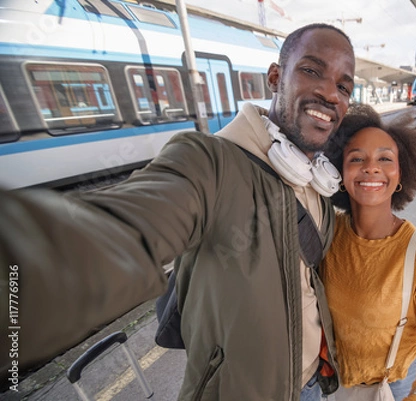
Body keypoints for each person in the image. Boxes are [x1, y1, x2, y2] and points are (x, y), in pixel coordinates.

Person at [0, 24, 355, 400]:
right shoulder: (209, 163)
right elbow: (120, 233)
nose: (330, 92)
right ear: (275, 77)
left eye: (344, 86)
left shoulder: (318, 183)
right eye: (312, 71)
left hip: (313, 383)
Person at [321, 103, 416, 401]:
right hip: (330, 383)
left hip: (393, 387)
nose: (371, 167)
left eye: (385, 158)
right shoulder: (325, 231)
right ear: (340, 171)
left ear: (401, 173)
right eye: (356, 158)